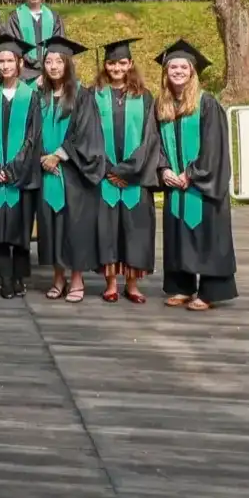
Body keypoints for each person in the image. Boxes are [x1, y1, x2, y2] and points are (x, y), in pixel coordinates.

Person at [155, 40, 237, 310]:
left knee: (208, 235)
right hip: (175, 183)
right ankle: (182, 286)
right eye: (173, 67)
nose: (177, 71)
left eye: (183, 67)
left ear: (192, 72)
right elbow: (156, 143)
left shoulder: (207, 103)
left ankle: (211, 292)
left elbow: (214, 147)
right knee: (178, 233)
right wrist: (164, 169)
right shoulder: (164, 105)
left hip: (201, 185)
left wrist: (191, 173)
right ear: (166, 72)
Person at [92, 38, 161, 304]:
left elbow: (150, 138)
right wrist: (108, 170)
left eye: (122, 62)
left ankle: (132, 284)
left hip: (135, 177)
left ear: (130, 63)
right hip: (105, 176)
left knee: (135, 230)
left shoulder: (144, 97)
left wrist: (128, 171)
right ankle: (110, 283)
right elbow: (89, 135)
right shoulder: (94, 94)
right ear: (105, 65)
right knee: (108, 229)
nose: (116, 67)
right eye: (111, 62)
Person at [0, 35, 43, 299]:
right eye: (0, 61)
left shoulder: (31, 96)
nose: (4, 66)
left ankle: (19, 277)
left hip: (21, 176)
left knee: (20, 229)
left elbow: (32, 136)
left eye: (9, 61)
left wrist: (14, 168)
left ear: (20, 62)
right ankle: (4, 278)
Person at [36, 36, 101, 305]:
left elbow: (87, 134)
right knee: (51, 225)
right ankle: (57, 277)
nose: (53, 66)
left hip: (72, 173)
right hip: (45, 171)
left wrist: (59, 155)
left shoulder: (83, 96)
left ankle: (76, 279)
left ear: (67, 65)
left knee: (73, 227)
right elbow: (31, 131)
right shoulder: (40, 96)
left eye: (58, 62)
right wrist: (42, 156)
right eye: (48, 61)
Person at [2, 0, 64, 75]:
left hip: (50, 70)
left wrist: (47, 64)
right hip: (24, 73)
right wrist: (33, 65)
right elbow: (15, 46)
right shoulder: (15, 17)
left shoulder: (53, 17)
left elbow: (58, 44)